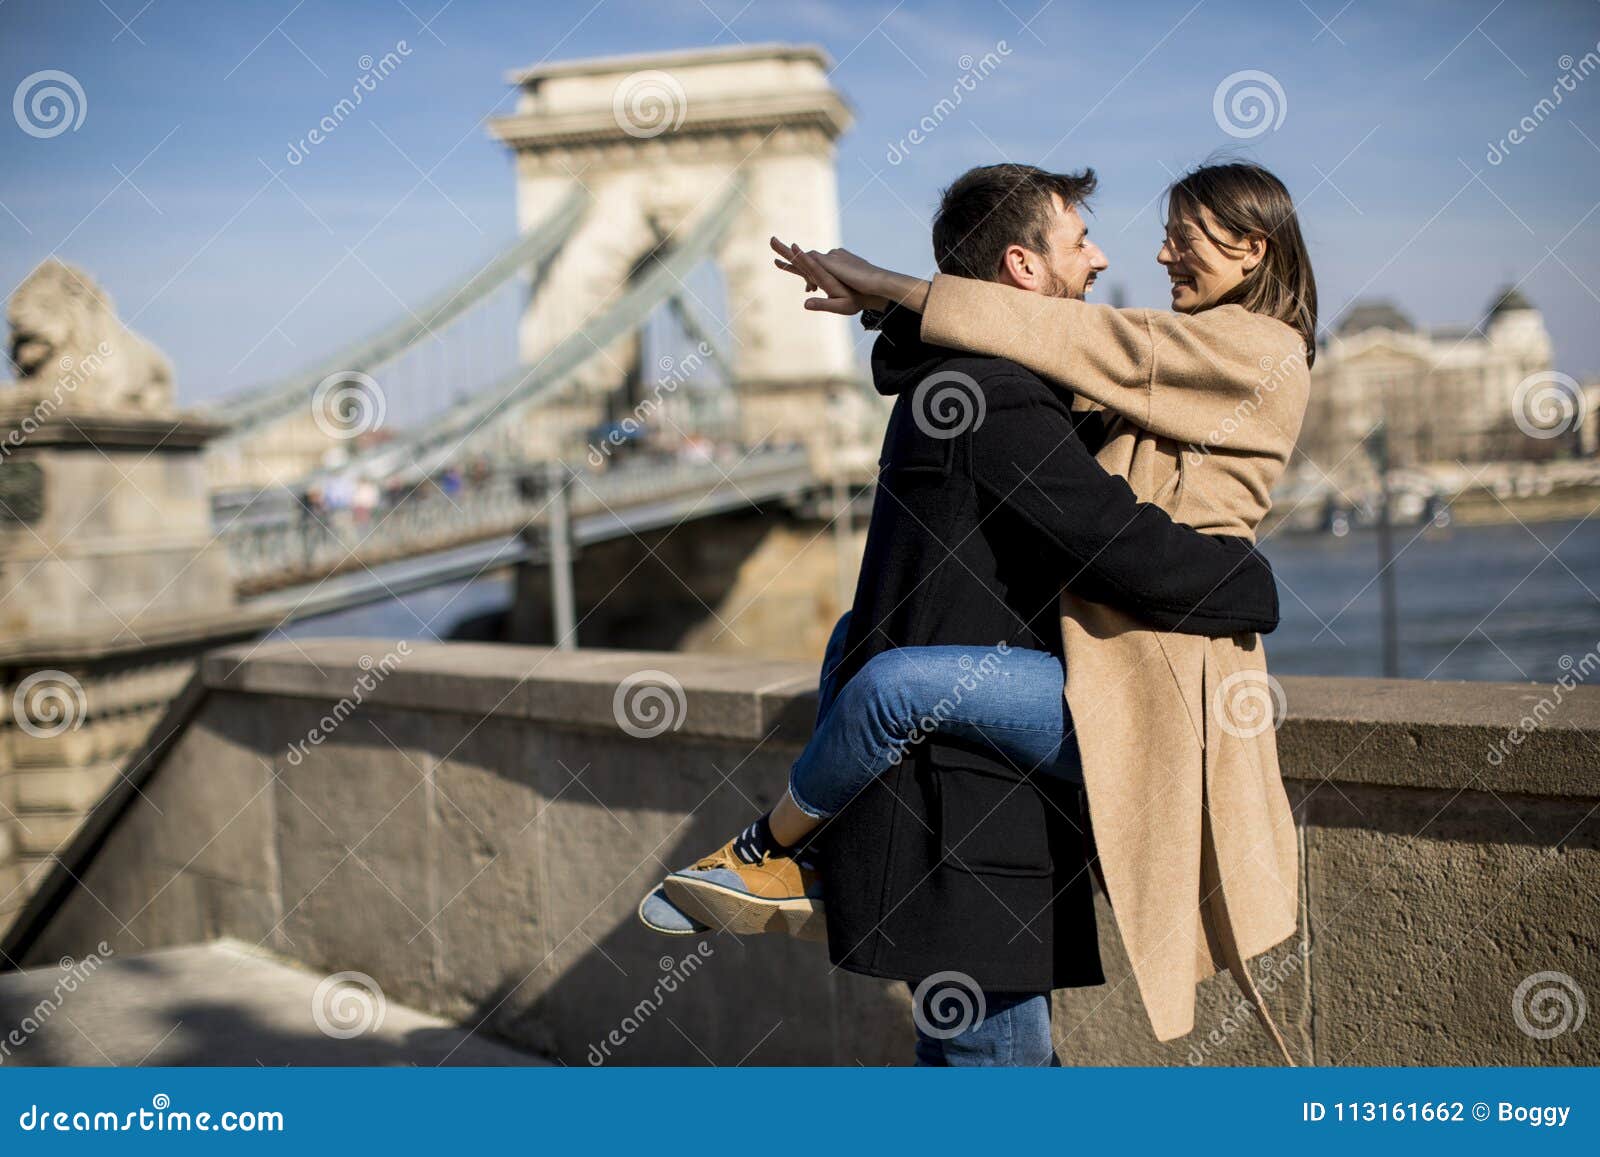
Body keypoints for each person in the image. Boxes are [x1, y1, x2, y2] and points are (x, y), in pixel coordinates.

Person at [640, 161, 1308, 1065]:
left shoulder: (1258, 348)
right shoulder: (1017, 389)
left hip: (1162, 671)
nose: (1139, 256)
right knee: (990, 1060)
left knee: (893, 686)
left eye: (1180, 240)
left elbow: (1089, 362)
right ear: (1026, 266)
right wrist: (894, 310)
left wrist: (1250, 588)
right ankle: (795, 857)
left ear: (1253, 247)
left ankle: (779, 849)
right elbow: (1050, 356)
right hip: (1103, 670)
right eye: (1088, 240)